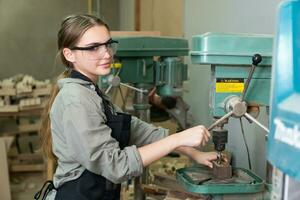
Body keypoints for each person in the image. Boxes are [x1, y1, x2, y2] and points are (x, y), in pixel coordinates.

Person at [35, 14, 217, 200]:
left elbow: (139, 130)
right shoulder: (76, 99)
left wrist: (193, 152)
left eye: (107, 44)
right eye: (93, 48)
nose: (106, 54)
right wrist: (177, 140)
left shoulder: (92, 93)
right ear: (69, 54)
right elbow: (115, 166)